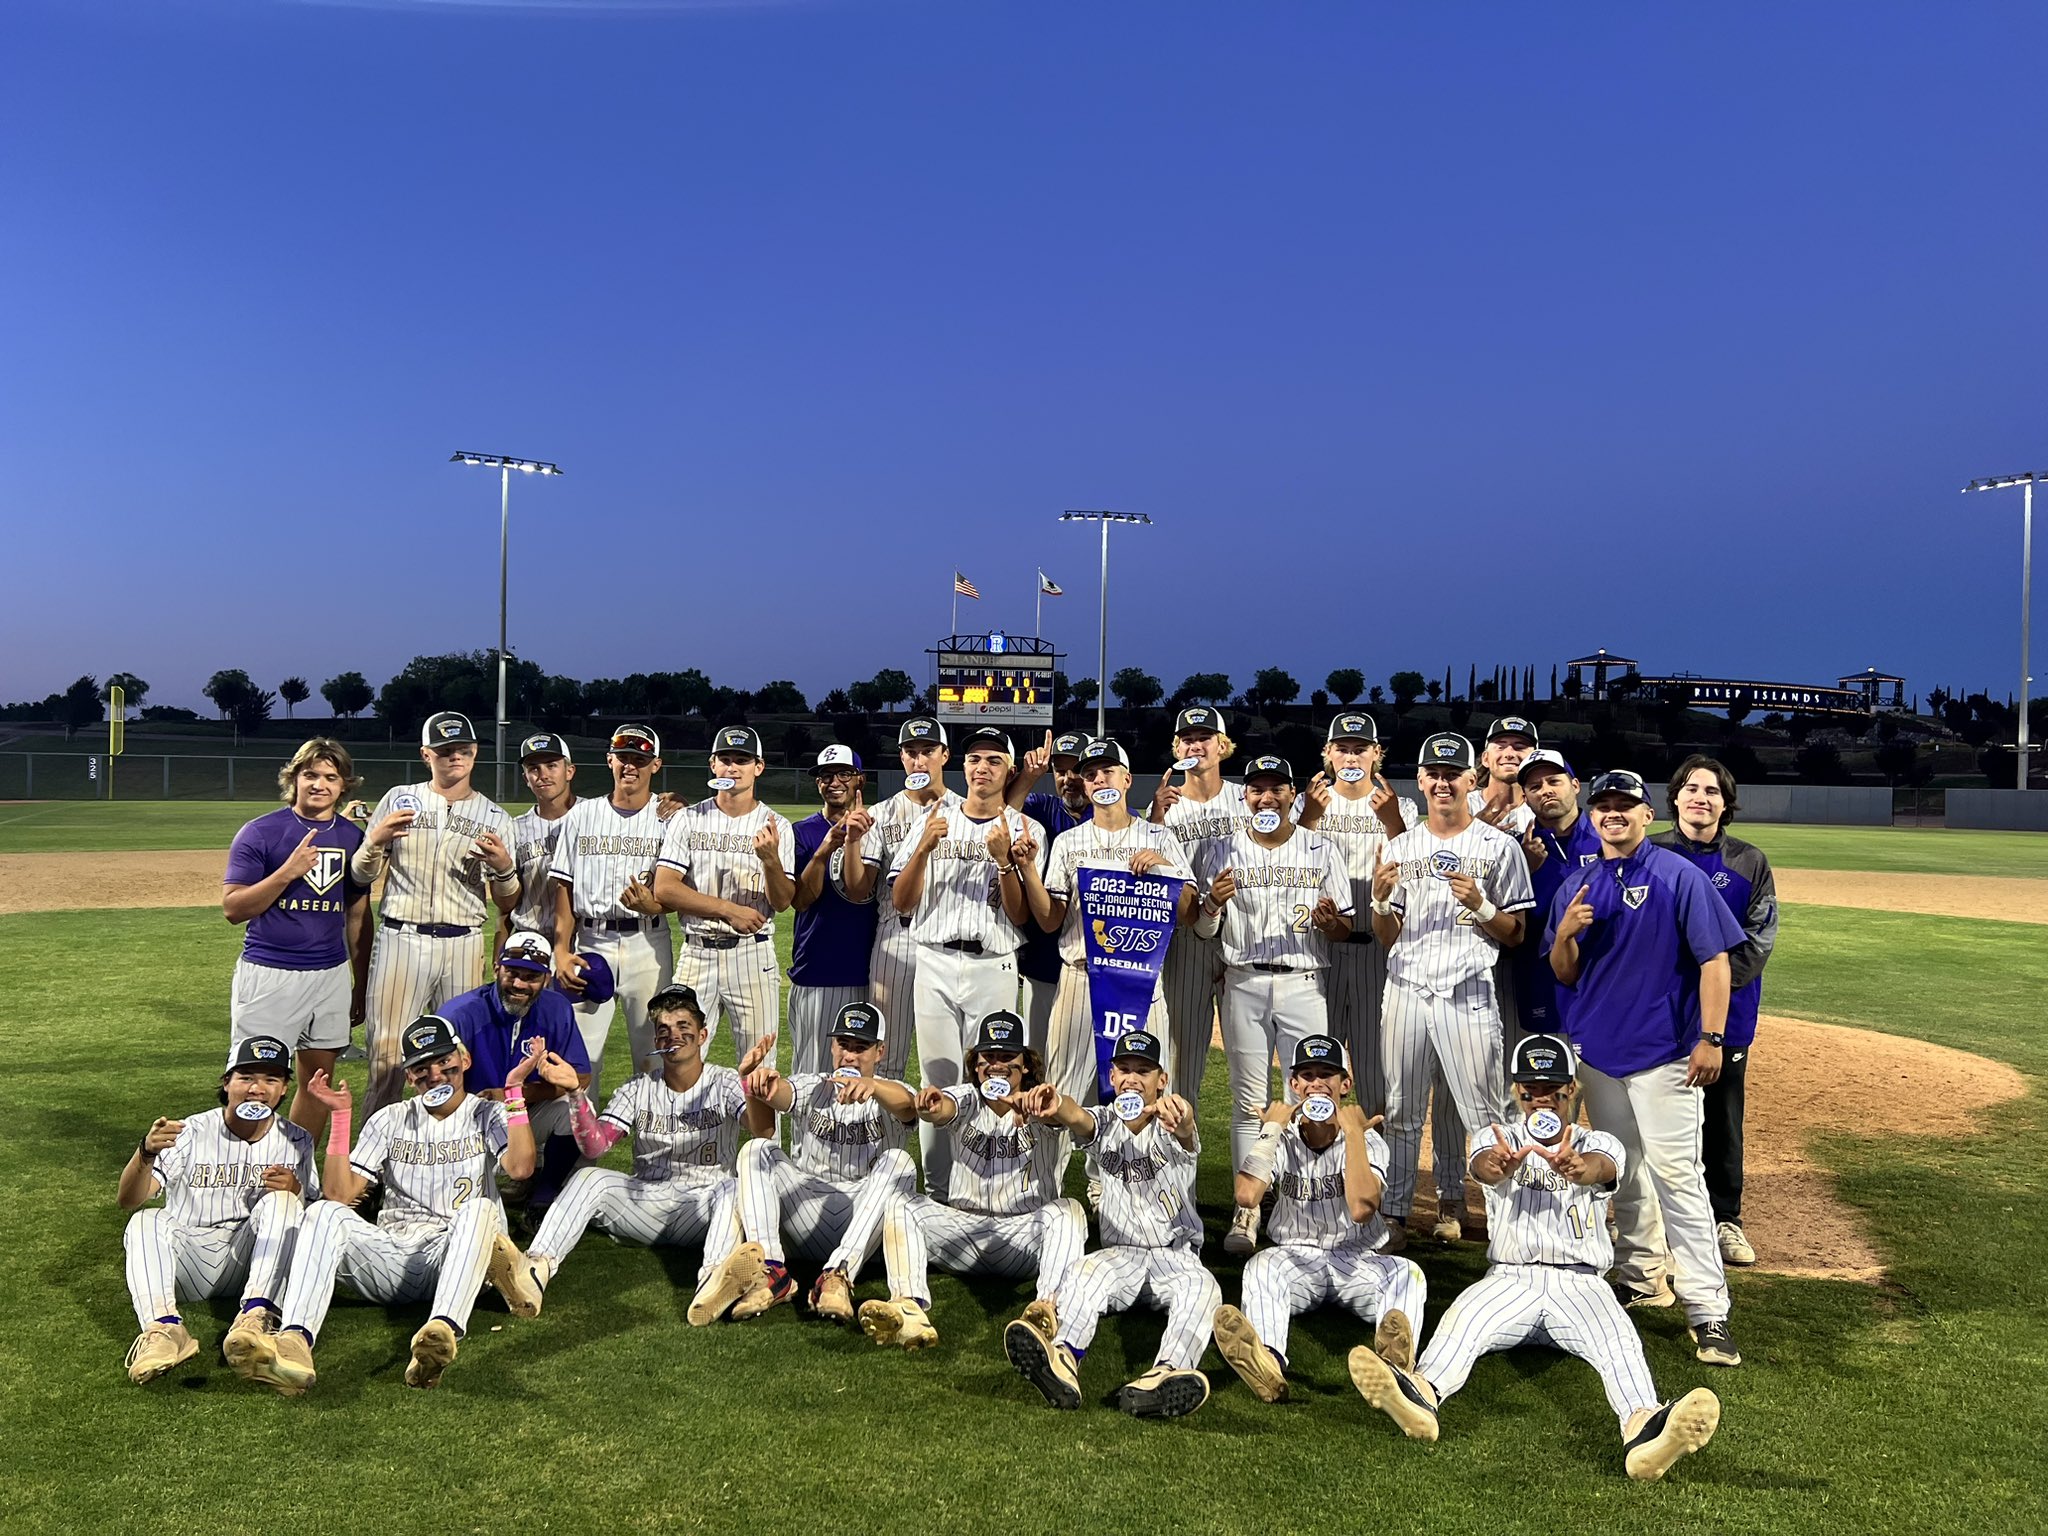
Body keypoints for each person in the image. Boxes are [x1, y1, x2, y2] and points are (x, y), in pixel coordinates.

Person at [1349, 1033, 1724, 1483]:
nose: (1542, 1099)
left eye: (1552, 1089)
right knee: (1462, 1323)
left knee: (1619, 1345)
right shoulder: (1497, 1136)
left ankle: (1645, 1432)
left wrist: (1578, 1168)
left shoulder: (1598, 1140)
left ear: (1571, 1091)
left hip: (1581, 1284)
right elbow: (1483, 1164)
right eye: (1531, 1090)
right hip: (1511, 1278)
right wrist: (1498, 1166)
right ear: (1518, 1093)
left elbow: (1602, 1169)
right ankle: (1420, 1397)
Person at [1546, 769, 1746, 1366]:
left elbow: (1715, 962)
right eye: (1604, 806)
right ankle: (1640, 1276)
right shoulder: (1579, 884)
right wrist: (1563, 934)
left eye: (1625, 805)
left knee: (1677, 1176)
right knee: (1625, 1170)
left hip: (1666, 1054)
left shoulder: (1678, 875)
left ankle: (1709, 1309)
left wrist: (1711, 1038)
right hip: (1600, 1054)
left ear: (1645, 814)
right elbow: (1565, 972)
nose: (1613, 814)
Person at [245, 1015, 539, 1395]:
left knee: (481, 1209)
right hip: (392, 1256)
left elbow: (520, 1167)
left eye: (443, 1062)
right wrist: (340, 1116)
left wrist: (513, 1092)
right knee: (321, 1212)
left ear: (464, 1060)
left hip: (455, 1254)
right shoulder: (390, 1119)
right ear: (408, 1075)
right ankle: (295, 1342)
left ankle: (441, 1330)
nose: (434, 1075)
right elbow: (339, 1194)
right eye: (421, 1067)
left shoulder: (487, 1113)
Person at [486, 987, 776, 1326]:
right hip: (645, 1203)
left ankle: (713, 1280)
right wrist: (575, 1093)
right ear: (655, 1039)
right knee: (589, 1176)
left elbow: (762, 1131)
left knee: (731, 1189)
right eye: (664, 1029)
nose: (674, 1035)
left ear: (702, 1035)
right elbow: (595, 1147)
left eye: (684, 1026)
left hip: (704, 1206)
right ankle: (534, 1271)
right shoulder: (638, 1088)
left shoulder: (725, 1082)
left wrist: (749, 1086)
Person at [1370, 733, 1535, 1254]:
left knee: (1485, 1110)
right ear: (1420, 781)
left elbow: (1517, 933)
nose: (1443, 782)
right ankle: (1395, 1214)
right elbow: (1387, 936)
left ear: (1473, 779)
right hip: (1405, 988)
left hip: (1467, 989)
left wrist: (1484, 907)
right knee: (1401, 1108)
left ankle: (1511, 1220)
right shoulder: (1399, 848)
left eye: (1453, 773)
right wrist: (1377, 903)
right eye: (1433, 774)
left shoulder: (1499, 848)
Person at [1004, 1030, 1218, 1419]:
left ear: (1161, 1080)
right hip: (1120, 1255)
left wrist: (1183, 1115)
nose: (1133, 1078)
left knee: (1204, 1288)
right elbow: (1077, 1116)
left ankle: (1164, 1373)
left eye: (1144, 1070)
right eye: (1125, 1069)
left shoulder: (1173, 1122)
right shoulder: (1104, 1121)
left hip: (1177, 1258)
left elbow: (1186, 1128)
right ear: (1113, 1076)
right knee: (1084, 1272)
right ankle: (1064, 1358)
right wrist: (1055, 1102)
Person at [854, 1011, 1086, 1353]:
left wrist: (1052, 1104)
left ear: (1025, 1065)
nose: (996, 1065)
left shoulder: (1041, 1102)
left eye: (1007, 1056)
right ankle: (908, 1308)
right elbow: (943, 1108)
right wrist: (932, 1105)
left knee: (1069, 1212)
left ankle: (1046, 1307)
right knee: (903, 1203)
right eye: (988, 1056)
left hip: (1021, 1238)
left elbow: (1072, 1115)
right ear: (976, 1064)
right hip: (963, 1232)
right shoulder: (966, 1097)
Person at [1210, 1034, 1424, 1403]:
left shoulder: (1367, 1139)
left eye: (1327, 1074)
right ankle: (1269, 1363)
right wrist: (1272, 1129)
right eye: (1307, 1075)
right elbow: (1246, 1196)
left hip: (1357, 1261)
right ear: (1294, 1086)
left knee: (1407, 1275)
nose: (1317, 1084)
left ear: (1345, 1085)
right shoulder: (1281, 1136)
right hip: (1296, 1258)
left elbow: (1361, 1208)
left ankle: (1395, 1373)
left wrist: (1354, 1133)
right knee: (1262, 1266)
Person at [885, 727, 1047, 1202]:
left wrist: (1005, 865)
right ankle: (936, 1191)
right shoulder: (933, 817)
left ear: (1009, 770)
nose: (982, 768)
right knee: (936, 1079)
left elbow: (1021, 915)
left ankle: (986, 1185)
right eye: (976, 759)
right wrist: (922, 850)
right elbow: (901, 902)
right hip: (933, 960)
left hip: (993, 963)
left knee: (995, 1079)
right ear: (964, 765)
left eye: (995, 761)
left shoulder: (1025, 828)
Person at [116, 1035, 317, 1385]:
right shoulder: (189, 1131)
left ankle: (255, 1317)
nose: (257, 1089)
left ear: (284, 1088)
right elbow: (130, 1198)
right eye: (246, 1078)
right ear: (227, 1083)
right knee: (145, 1219)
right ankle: (165, 1331)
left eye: (270, 1079)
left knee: (283, 1201)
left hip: (252, 1260)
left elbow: (315, 1222)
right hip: (189, 1258)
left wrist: (297, 1191)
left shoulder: (297, 1139)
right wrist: (145, 1153)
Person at [1189, 753, 1353, 1177]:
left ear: (1291, 795)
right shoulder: (1220, 849)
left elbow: (1344, 928)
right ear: (1245, 796)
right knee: (1249, 1102)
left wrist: (1332, 922)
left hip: (1304, 983)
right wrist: (1211, 904)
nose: (1267, 798)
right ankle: (1249, 1209)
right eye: (1258, 789)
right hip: (1243, 983)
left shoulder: (1321, 848)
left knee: (1307, 1096)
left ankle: (1302, 1199)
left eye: (1276, 788)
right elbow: (1205, 930)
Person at [350, 711, 519, 1114]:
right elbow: (361, 874)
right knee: (387, 1055)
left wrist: (503, 867)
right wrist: (373, 841)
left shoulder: (495, 817)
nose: (454, 758)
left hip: (462, 942)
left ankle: (457, 1154)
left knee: (458, 1053)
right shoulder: (399, 798)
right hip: (401, 939)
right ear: (427, 755)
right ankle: (375, 1162)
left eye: (462, 750)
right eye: (445, 751)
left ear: (475, 753)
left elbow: (507, 901)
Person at [1651, 756, 1778, 1271]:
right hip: (1658, 1011)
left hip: (1727, 1015)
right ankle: (1653, 1220)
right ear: (1675, 797)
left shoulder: (1749, 861)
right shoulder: (1649, 851)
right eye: (1690, 788)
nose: (1700, 797)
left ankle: (1726, 1218)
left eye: (1712, 791)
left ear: (1726, 804)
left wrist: (1712, 991)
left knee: (1723, 1117)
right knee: (1653, 1117)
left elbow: (1759, 940)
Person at [1025, 738, 1195, 1103]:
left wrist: (1165, 871)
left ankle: (1129, 1163)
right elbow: (1051, 921)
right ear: (1085, 786)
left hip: (1141, 980)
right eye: (1090, 775)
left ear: (1127, 780)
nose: (1099, 780)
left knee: (1142, 1095)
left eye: (1107, 771)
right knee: (1061, 1095)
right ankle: (1048, 1163)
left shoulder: (1159, 836)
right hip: (1079, 977)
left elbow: (1190, 912)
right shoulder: (1069, 842)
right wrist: (1026, 869)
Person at [729, 1001, 920, 1321]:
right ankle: (771, 1272)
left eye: (861, 1047)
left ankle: (838, 1276)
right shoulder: (814, 1085)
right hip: (807, 1215)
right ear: (832, 1045)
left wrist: (872, 1087)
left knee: (899, 1161)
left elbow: (909, 1106)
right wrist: (753, 1083)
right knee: (756, 1150)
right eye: (843, 1044)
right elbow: (772, 1113)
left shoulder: (889, 1093)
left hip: (862, 1223)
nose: (849, 1055)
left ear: (880, 1052)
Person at [222, 738, 371, 1138]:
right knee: (254, 1082)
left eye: (330, 777)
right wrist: (287, 871)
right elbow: (234, 908)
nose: (319, 784)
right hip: (270, 973)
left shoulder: (353, 839)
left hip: (330, 976)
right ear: (295, 778)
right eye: (310, 774)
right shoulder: (261, 832)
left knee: (317, 1083)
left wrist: (360, 983)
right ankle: (241, 1171)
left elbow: (357, 915)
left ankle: (297, 1172)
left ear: (344, 786)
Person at [1294, 713, 1414, 1117]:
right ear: (1327, 753)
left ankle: (1377, 1157)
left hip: (1375, 946)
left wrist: (1394, 822)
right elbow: (1289, 865)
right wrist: (1308, 817)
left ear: (1376, 754)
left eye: (1359, 748)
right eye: (1342, 748)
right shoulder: (1306, 803)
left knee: (1376, 1061)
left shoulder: (1402, 806)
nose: (1350, 756)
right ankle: (1313, 1155)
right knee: (1315, 1057)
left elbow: (1413, 871)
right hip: (1319, 946)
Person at [654, 724, 795, 1060]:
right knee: (678, 1058)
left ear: (758, 767)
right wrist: (727, 909)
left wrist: (771, 860)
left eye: (742, 760)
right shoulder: (688, 819)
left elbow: (783, 901)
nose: (733, 767)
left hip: (752, 954)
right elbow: (665, 888)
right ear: (713, 765)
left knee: (760, 1064)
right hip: (697, 952)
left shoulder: (776, 825)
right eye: (725, 759)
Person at [548, 724, 673, 1090]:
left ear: (656, 765)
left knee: (654, 1056)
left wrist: (655, 904)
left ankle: (654, 1146)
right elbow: (564, 890)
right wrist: (561, 950)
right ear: (609, 761)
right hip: (591, 942)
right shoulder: (581, 816)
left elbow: (681, 890)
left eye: (640, 759)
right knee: (582, 1060)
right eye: (623, 758)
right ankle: (582, 1146)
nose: (630, 766)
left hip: (648, 946)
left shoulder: (671, 820)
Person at [844, 716, 963, 1082]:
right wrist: (851, 840)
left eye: (928, 751)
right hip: (896, 938)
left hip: (947, 941)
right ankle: (883, 1138)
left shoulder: (966, 811)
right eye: (911, 752)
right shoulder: (881, 814)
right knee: (886, 1056)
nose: (919, 760)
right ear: (901, 758)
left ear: (944, 755)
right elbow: (859, 890)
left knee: (950, 1063)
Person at [439, 931, 592, 1214]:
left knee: (576, 1107)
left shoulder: (556, 1009)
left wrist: (517, 1094)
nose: (520, 984)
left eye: (531, 977)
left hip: (522, 1112)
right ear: (497, 968)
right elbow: (434, 1086)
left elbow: (581, 1077)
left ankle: (542, 1194)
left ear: (546, 979)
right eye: (512, 973)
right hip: (468, 1121)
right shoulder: (459, 1014)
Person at [1148, 705, 1249, 1107]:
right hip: (1186, 936)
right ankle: (1178, 1151)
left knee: (1247, 1057)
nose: (1196, 744)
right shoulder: (1165, 808)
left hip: (1242, 933)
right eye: (1187, 738)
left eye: (1205, 737)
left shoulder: (1245, 798)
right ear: (1177, 747)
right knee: (1183, 1053)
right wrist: (1155, 818)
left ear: (1222, 746)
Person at [787, 745, 880, 1075]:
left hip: (875, 974)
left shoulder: (880, 827)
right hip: (820, 971)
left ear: (860, 780)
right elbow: (800, 900)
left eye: (844, 773)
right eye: (826, 775)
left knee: (865, 1078)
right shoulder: (803, 832)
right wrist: (824, 850)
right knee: (813, 1075)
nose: (834, 781)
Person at [1006, 730, 1092, 1046]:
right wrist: (1029, 776)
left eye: (1077, 770)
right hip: (1043, 954)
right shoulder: (1042, 806)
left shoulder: (1113, 818)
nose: (1069, 778)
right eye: (1060, 770)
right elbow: (1005, 812)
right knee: (1038, 1054)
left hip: (1094, 958)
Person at [1513, 749, 1602, 1038]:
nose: (1546, 791)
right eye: (1535, 787)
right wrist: (1522, 869)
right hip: (1540, 982)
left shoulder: (1609, 839)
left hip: (1603, 980)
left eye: (1554, 781)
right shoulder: (1512, 849)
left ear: (1575, 786)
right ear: (1525, 798)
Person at [501, 731, 577, 953]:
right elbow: (507, 905)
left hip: (583, 939)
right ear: (526, 779)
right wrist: (500, 948)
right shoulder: (514, 828)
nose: (543, 774)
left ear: (569, 771)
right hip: (531, 941)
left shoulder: (594, 815)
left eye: (552, 765)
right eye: (533, 768)